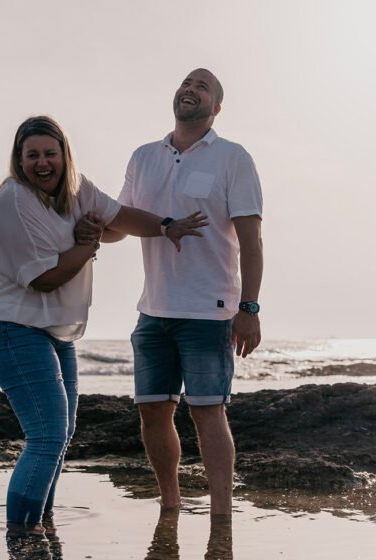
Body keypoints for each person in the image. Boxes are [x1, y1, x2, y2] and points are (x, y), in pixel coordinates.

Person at [0, 115, 207, 535]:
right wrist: (87, 243)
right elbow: (47, 279)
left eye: (50, 153)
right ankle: (22, 536)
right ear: (19, 160)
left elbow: (119, 215)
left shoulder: (77, 189)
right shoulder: (14, 201)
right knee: (46, 435)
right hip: (11, 327)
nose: (42, 163)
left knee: (60, 436)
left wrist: (166, 226)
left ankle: (40, 526)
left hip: (54, 331)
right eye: (32, 156)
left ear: (64, 155)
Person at [110, 68, 264, 516]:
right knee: (153, 412)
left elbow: (251, 241)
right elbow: (119, 224)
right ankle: (170, 506)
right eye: (186, 83)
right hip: (153, 310)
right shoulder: (143, 157)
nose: (190, 89)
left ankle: (220, 513)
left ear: (216, 107)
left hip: (210, 310)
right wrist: (85, 225)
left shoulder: (233, 158)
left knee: (207, 412)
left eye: (203, 86)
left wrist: (249, 307)